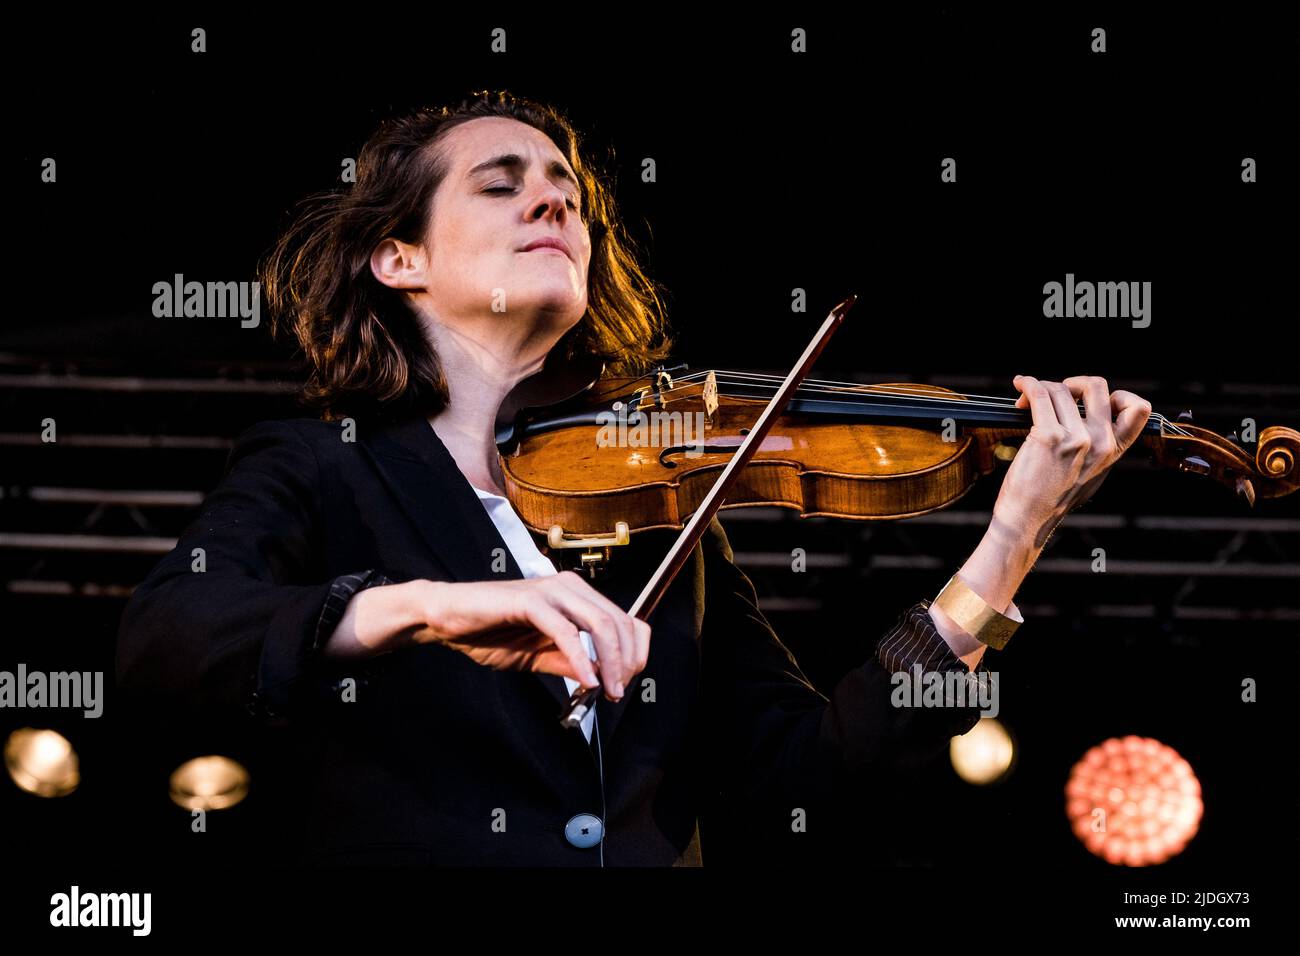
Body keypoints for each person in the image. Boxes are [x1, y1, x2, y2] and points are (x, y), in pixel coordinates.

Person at [115, 89, 1153, 866]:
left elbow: (815, 775)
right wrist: (421, 606)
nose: (553, 201)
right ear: (399, 258)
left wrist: (1004, 552)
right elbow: (166, 638)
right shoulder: (323, 465)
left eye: (567, 190)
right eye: (503, 183)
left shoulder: (663, 508)